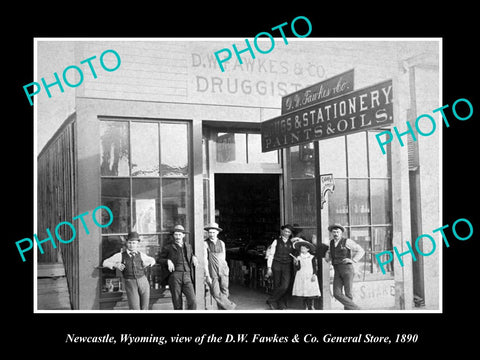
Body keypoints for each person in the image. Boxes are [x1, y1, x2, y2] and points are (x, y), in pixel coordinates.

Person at [102, 231, 156, 310]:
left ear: (137, 244)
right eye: (130, 242)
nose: (132, 245)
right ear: (126, 243)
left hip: (143, 281)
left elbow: (152, 260)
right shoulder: (120, 255)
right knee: (135, 308)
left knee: (145, 307)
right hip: (130, 282)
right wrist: (115, 265)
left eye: (134, 243)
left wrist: (148, 263)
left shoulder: (141, 254)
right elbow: (105, 263)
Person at [326, 223, 365, 310]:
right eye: (334, 232)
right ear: (331, 233)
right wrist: (327, 254)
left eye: (337, 232)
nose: (335, 234)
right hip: (337, 269)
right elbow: (328, 258)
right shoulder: (330, 243)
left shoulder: (347, 241)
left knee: (348, 293)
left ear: (341, 233)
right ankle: (357, 309)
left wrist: (353, 260)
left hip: (347, 269)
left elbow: (361, 250)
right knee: (336, 293)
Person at [158, 225, 197, 310]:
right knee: (177, 303)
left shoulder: (188, 246)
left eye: (179, 234)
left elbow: (190, 255)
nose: (178, 237)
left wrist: (194, 256)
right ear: (173, 236)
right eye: (176, 234)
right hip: (175, 276)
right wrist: (167, 261)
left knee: (193, 300)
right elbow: (159, 259)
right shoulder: (168, 247)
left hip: (187, 276)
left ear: (183, 235)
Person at [204, 222, 236, 310]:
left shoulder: (221, 243)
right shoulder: (205, 244)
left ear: (217, 233)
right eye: (210, 232)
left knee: (225, 291)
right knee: (215, 292)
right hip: (212, 270)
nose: (211, 234)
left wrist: (225, 269)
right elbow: (205, 260)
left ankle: (222, 310)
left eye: (213, 232)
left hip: (223, 269)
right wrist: (207, 275)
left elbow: (223, 257)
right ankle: (230, 307)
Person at [265, 224, 295, 310]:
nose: (286, 233)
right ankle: (279, 304)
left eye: (288, 232)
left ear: (290, 233)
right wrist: (269, 267)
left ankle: (271, 300)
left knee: (285, 285)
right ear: (282, 231)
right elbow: (271, 255)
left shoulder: (292, 243)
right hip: (277, 264)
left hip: (287, 265)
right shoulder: (276, 241)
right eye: (285, 231)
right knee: (277, 285)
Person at [292, 239, 321, 310]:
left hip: (309, 275)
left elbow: (315, 267)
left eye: (304, 247)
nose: (302, 248)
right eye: (301, 247)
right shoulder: (298, 257)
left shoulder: (312, 257)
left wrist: (314, 274)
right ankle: (304, 307)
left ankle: (310, 306)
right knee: (302, 292)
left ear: (308, 249)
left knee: (310, 291)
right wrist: (296, 263)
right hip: (301, 275)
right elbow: (298, 268)